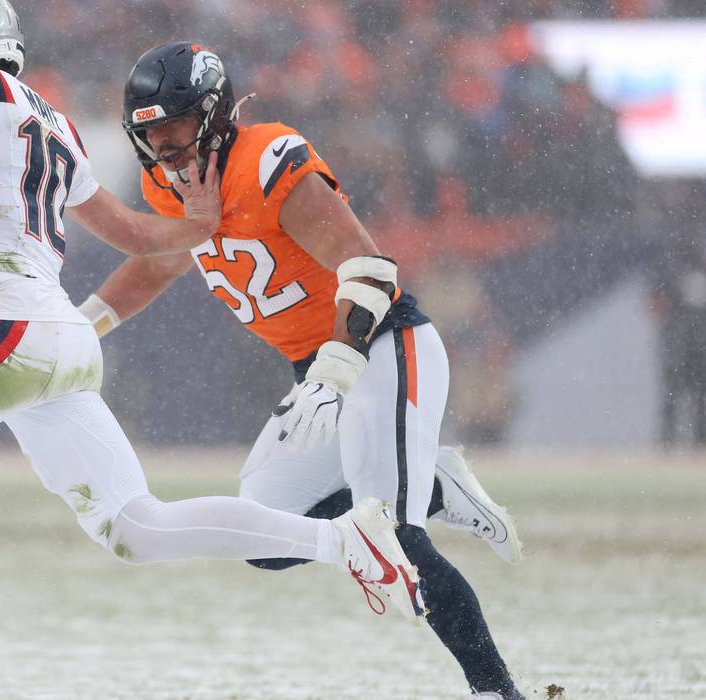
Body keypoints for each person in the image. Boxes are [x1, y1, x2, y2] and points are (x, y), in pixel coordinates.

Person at [0, 4, 424, 699]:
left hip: (4, 320)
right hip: (57, 334)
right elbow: (134, 233)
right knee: (138, 526)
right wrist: (199, 222)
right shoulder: (51, 118)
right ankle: (346, 541)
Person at [75, 41, 524, 699]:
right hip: (315, 369)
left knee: (392, 538)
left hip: (377, 346)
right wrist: (80, 329)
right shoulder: (169, 184)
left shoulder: (265, 158)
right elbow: (157, 262)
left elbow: (368, 268)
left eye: (171, 127)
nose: (161, 145)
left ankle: (496, 691)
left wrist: (337, 368)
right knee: (265, 536)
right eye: (148, 133)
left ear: (211, 113)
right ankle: (430, 484)